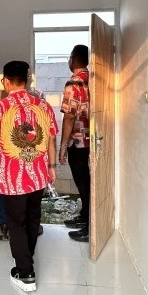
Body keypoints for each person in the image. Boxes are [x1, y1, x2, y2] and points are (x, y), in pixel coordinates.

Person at [0, 61, 58, 292]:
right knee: (33, 218)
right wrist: (51, 166)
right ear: (27, 80)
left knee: (16, 223)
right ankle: (27, 259)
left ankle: (25, 273)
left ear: (6, 81)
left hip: (13, 179)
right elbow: (51, 139)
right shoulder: (43, 106)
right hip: (38, 175)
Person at [0, 85, 46, 241]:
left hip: (14, 152)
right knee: (25, 188)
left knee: (9, 187)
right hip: (25, 151)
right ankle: (17, 224)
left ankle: (6, 225)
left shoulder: (0, 96)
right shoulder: (35, 96)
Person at [59, 45, 91, 242]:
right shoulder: (92, 80)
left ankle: (89, 226)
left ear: (74, 59)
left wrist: (63, 146)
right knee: (86, 180)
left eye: (70, 58)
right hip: (91, 139)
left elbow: (70, 117)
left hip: (77, 142)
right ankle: (85, 216)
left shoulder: (74, 82)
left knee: (83, 182)